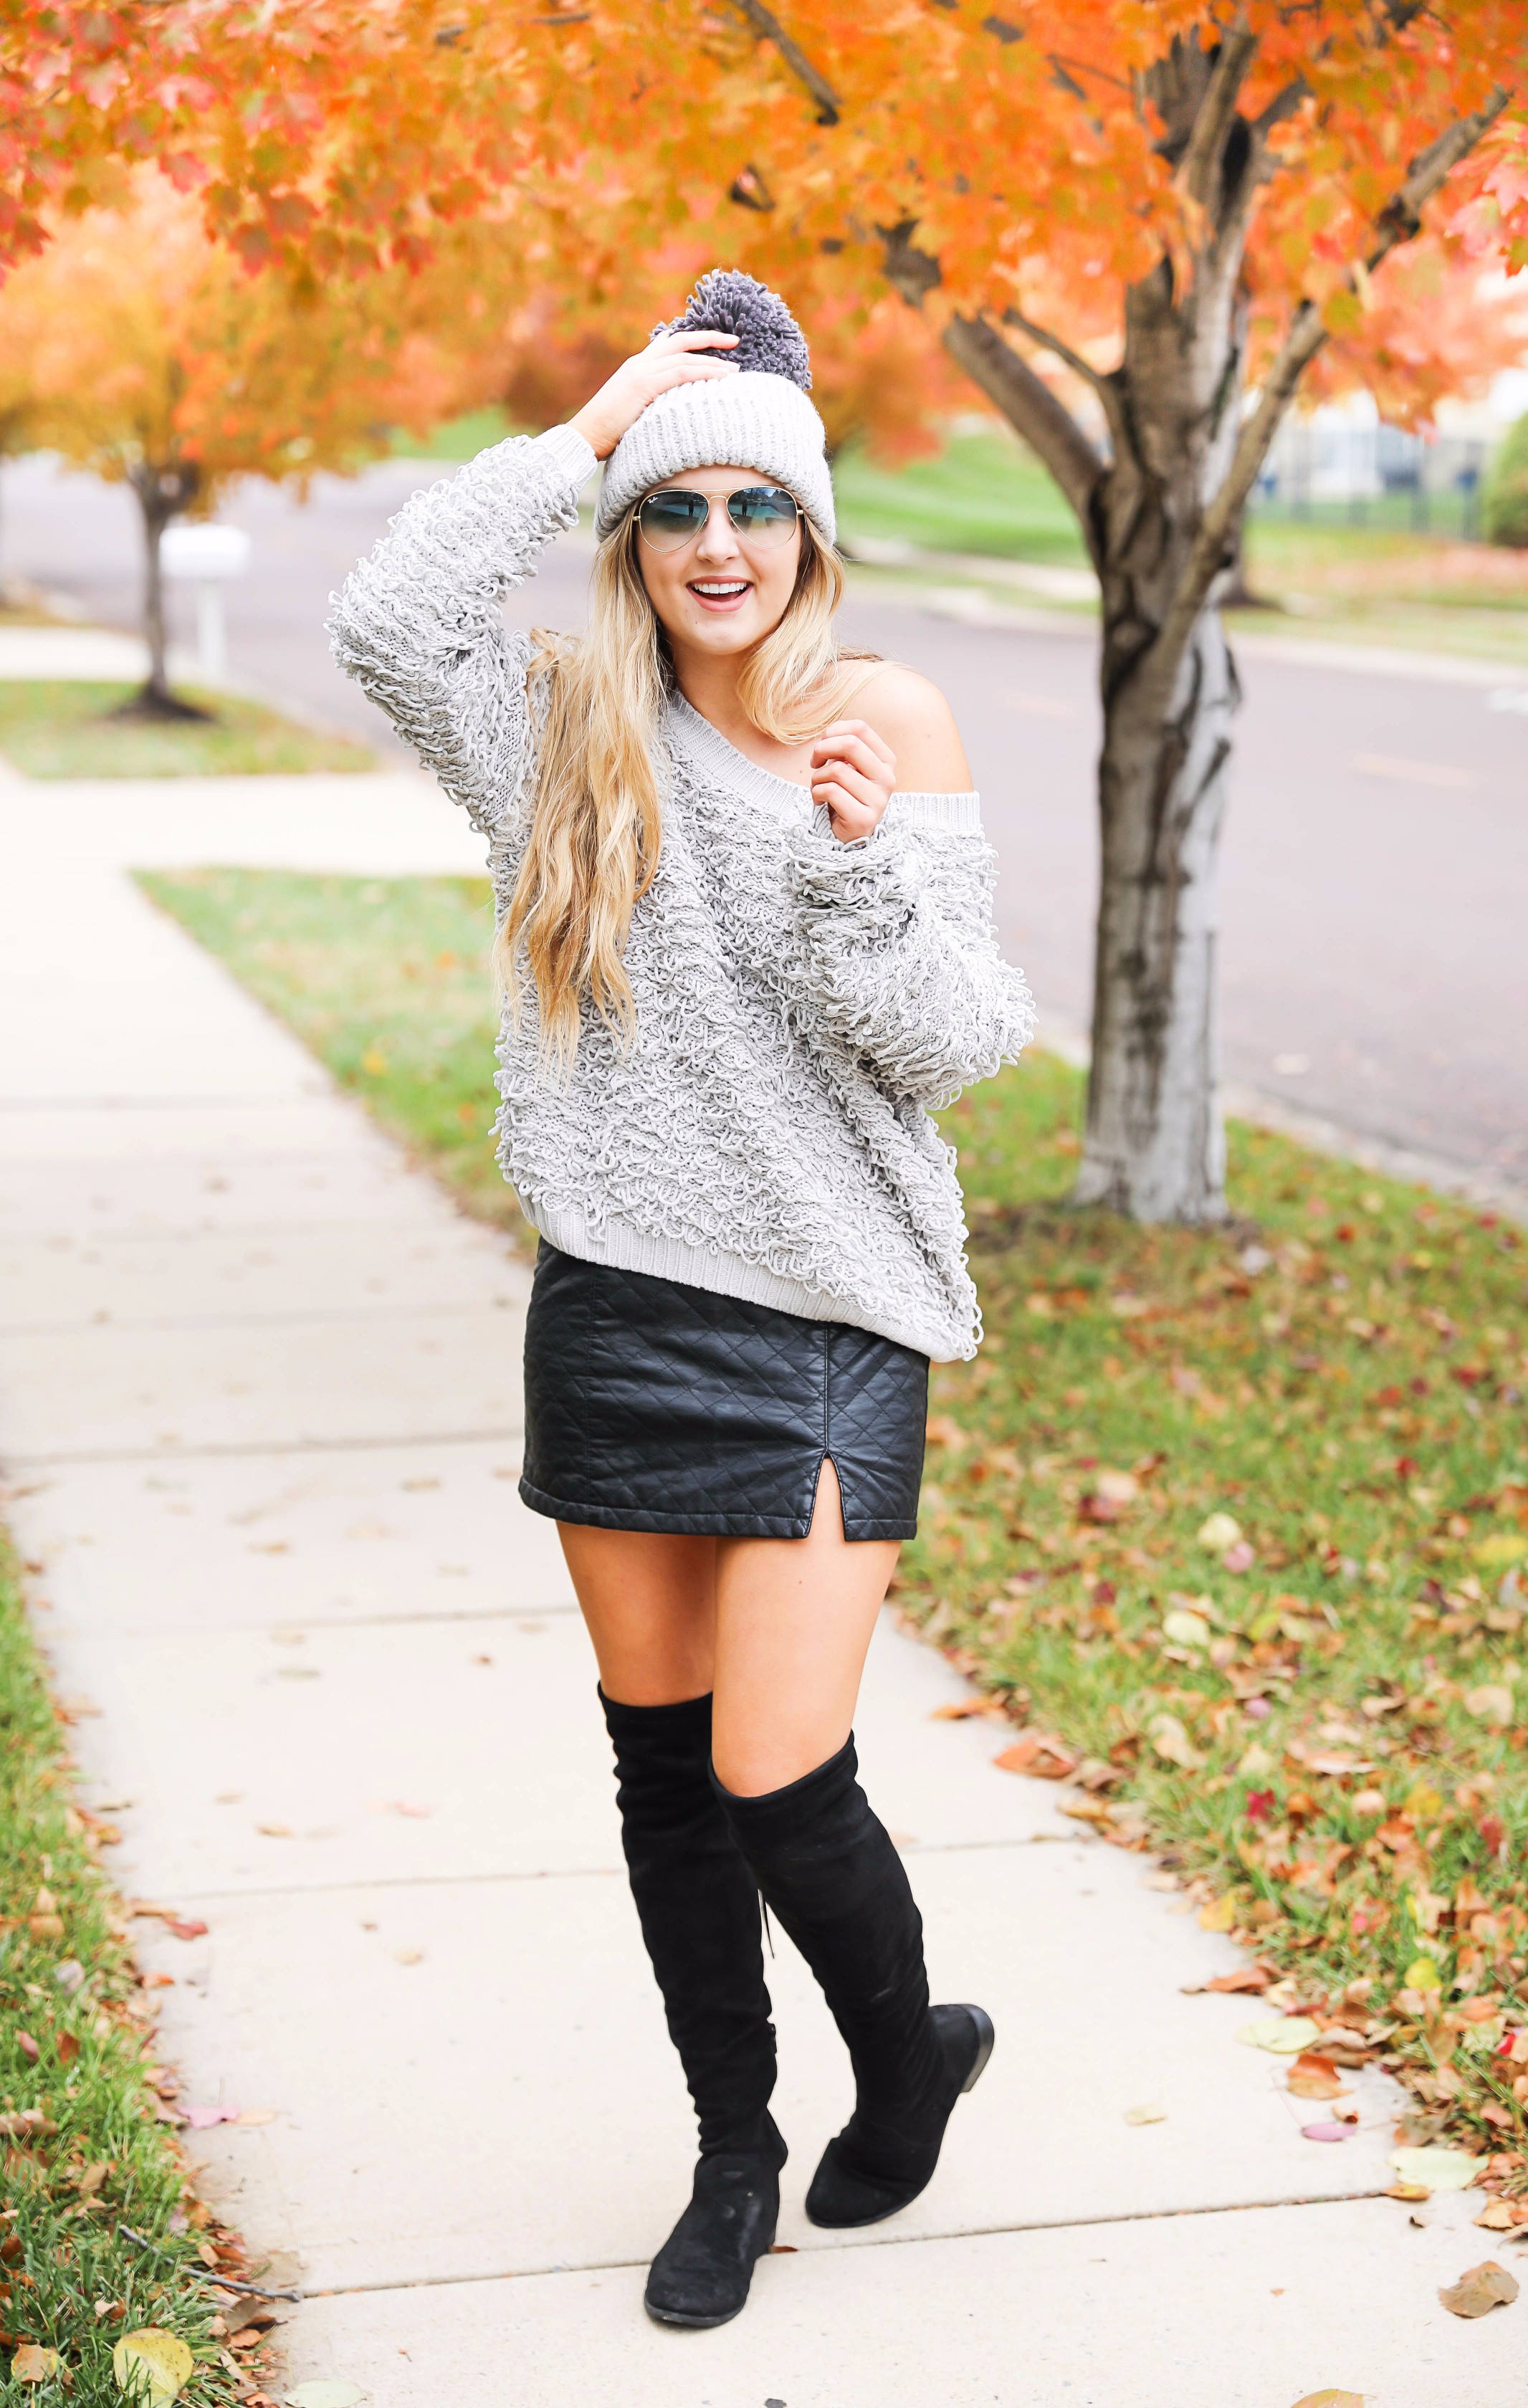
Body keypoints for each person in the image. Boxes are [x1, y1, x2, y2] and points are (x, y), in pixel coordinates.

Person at [330, 270, 1033, 2331]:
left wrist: (847, 876)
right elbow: (387, 619)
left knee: (775, 1770)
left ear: (811, 532)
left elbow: (957, 1042)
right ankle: (735, 2153)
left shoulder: (880, 720)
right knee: (662, 1778)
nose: (717, 546)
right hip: (623, 1303)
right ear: (632, 538)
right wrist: (584, 430)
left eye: (755, 506)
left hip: (831, 1320)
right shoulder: (562, 725)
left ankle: (904, 2060)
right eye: (673, 508)